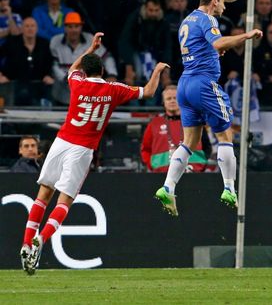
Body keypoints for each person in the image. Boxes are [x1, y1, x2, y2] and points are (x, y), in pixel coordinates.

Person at [20, 32, 168, 275]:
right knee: (64, 200)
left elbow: (75, 66)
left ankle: (27, 242)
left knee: (43, 193)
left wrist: (90, 47)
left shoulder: (77, 82)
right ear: (102, 70)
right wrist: (157, 71)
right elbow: (149, 92)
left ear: (86, 70)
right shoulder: (114, 89)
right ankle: (42, 240)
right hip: (82, 149)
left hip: (61, 141)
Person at [154, 0, 262, 217]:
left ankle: (168, 187)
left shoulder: (187, 20)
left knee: (189, 141)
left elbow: (203, 47)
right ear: (215, 1)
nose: (224, 7)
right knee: (225, 135)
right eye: (223, 2)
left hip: (184, 84)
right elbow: (217, 43)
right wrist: (247, 35)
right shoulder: (208, 19)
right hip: (203, 83)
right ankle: (229, 188)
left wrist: (215, 52)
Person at [141, 85, 208, 173]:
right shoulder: (154, 124)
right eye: (168, 99)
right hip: (161, 175)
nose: (172, 101)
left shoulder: (195, 121)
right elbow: (145, 149)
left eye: (175, 98)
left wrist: (201, 165)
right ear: (163, 102)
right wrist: (153, 166)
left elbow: (207, 147)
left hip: (193, 174)